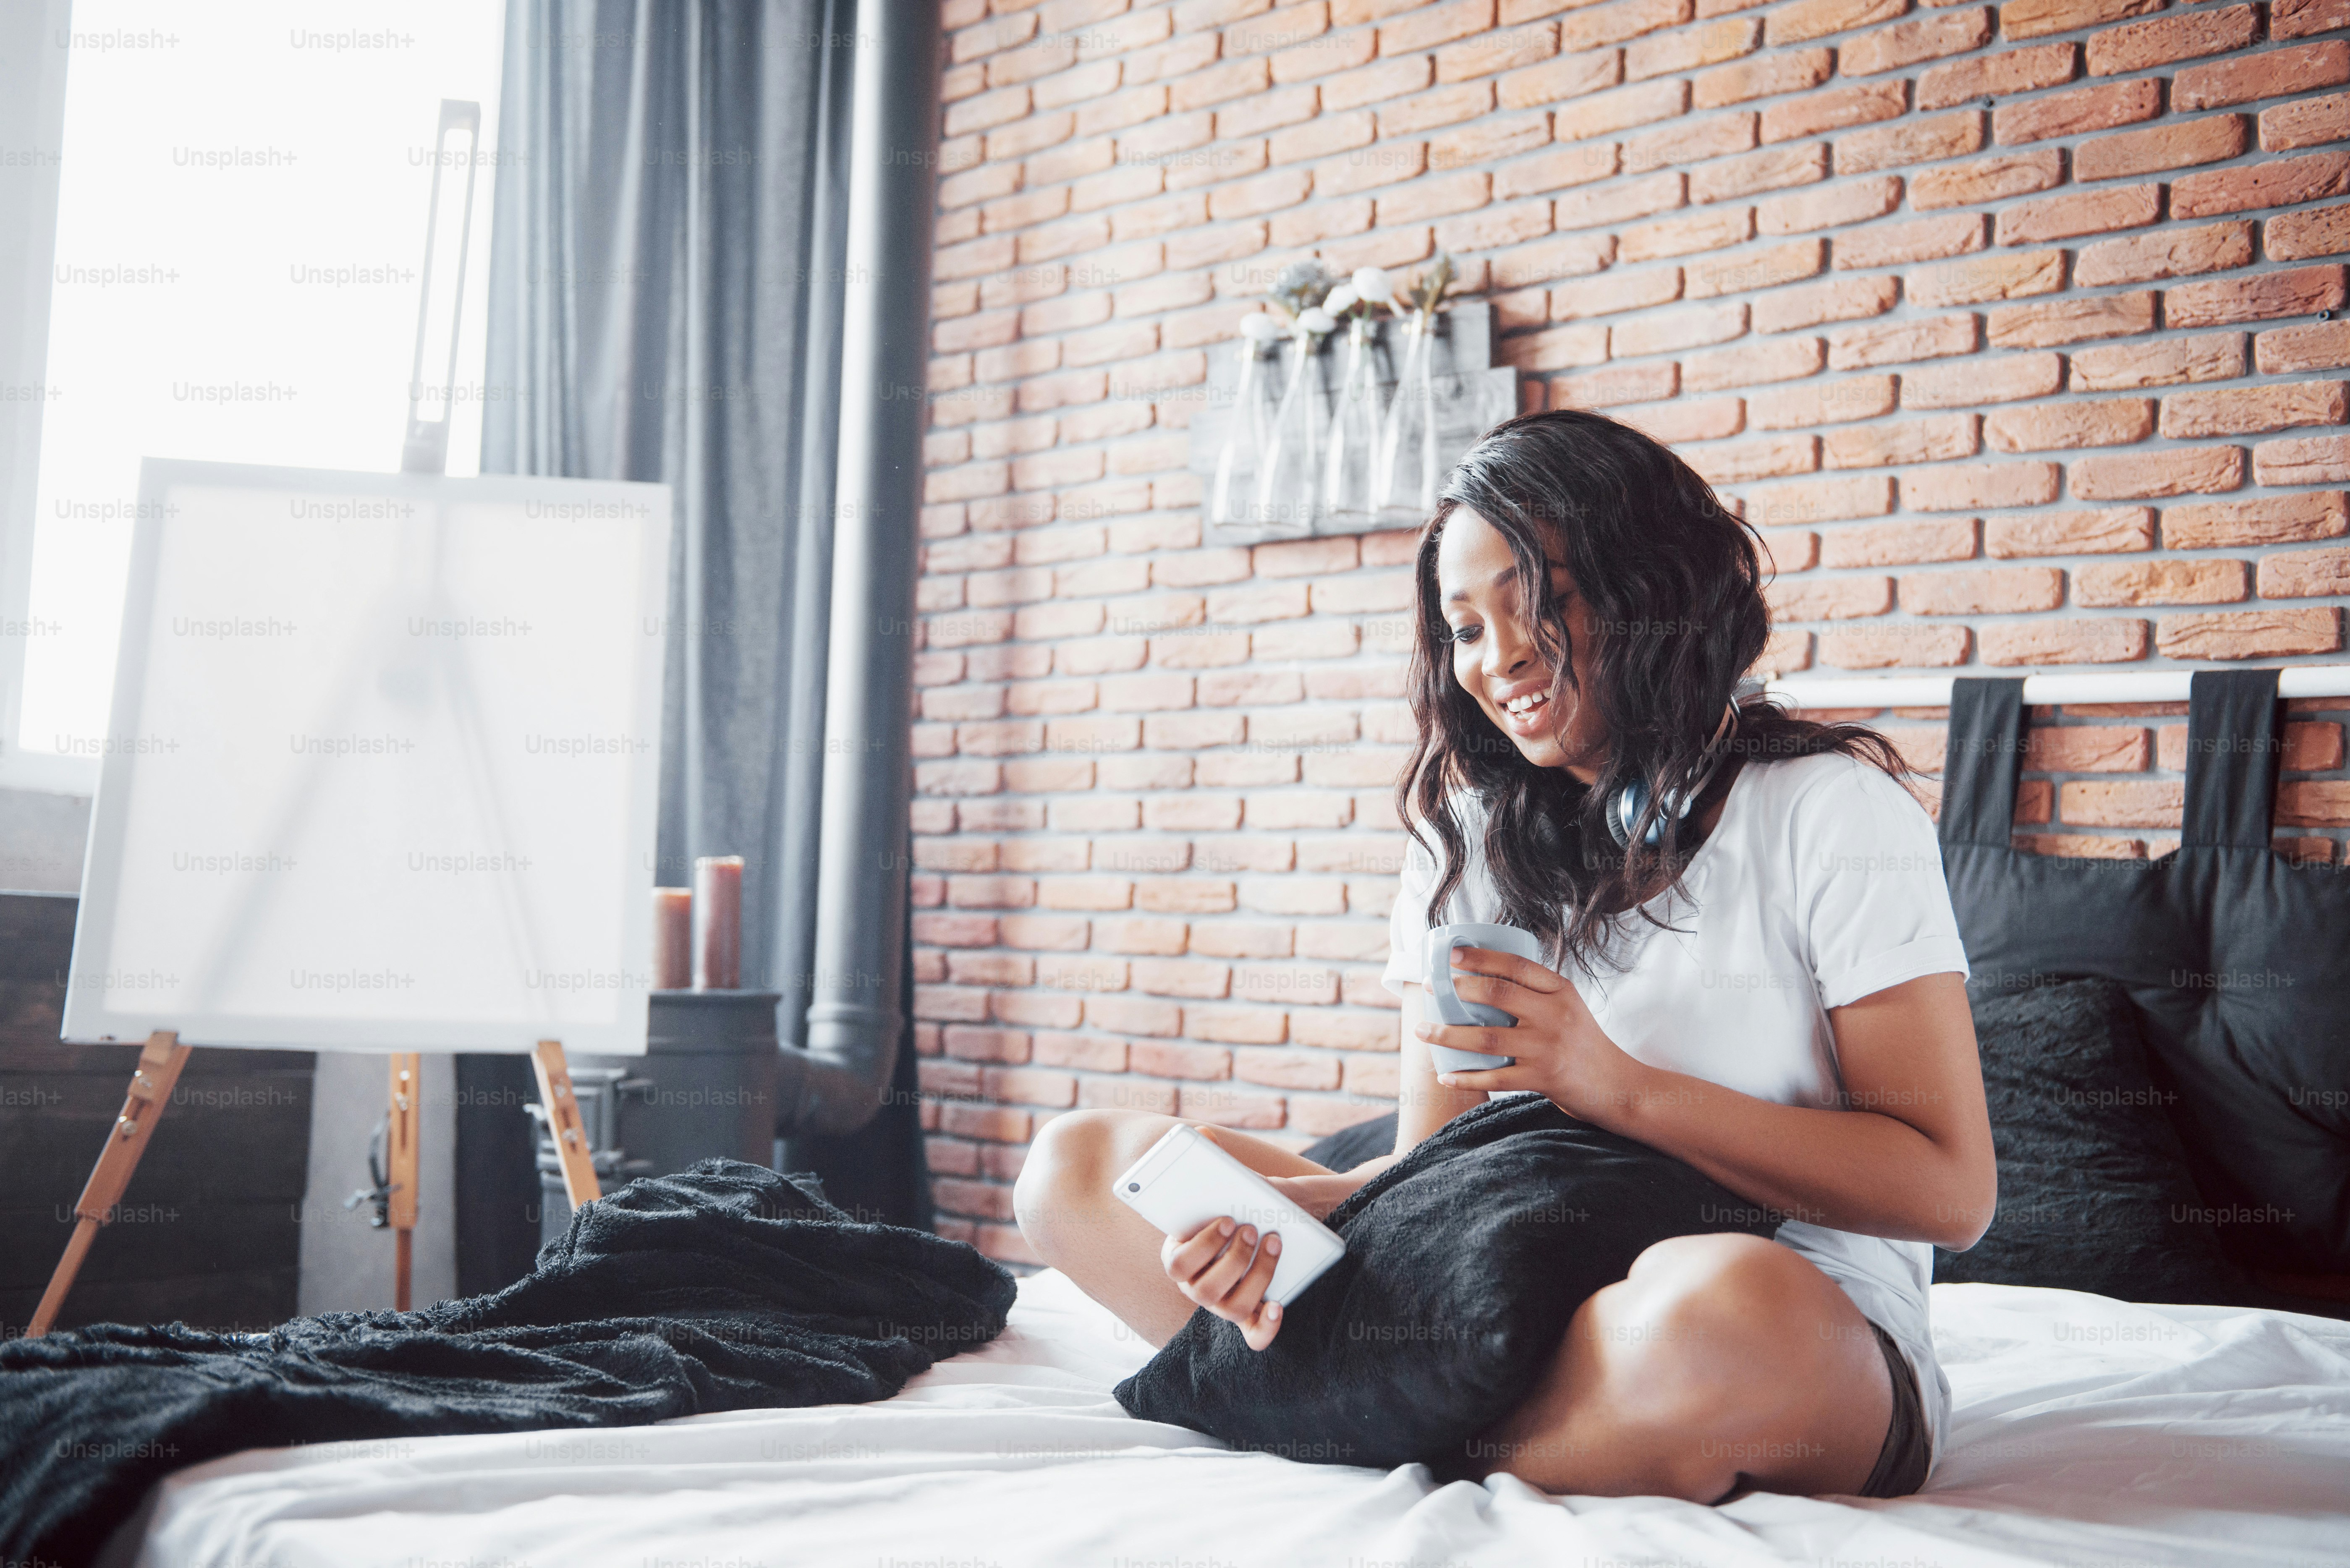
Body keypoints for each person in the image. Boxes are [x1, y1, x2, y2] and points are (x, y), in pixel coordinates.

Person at [1013, 408, 1996, 1504]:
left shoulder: (1830, 813)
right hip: (1483, 1290)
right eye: (1465, 628)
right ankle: (1451, 1410)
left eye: (1537, 602)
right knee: (1079, 1170)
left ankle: (1339, 1405)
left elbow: (1951, 1191)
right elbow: (1425, 1182)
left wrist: (1616, 1088)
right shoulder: (1468, 841)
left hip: (1767, 1314)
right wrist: (1253, 1243)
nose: (1502, 658)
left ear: (1649, 582)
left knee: (1716, 1318)